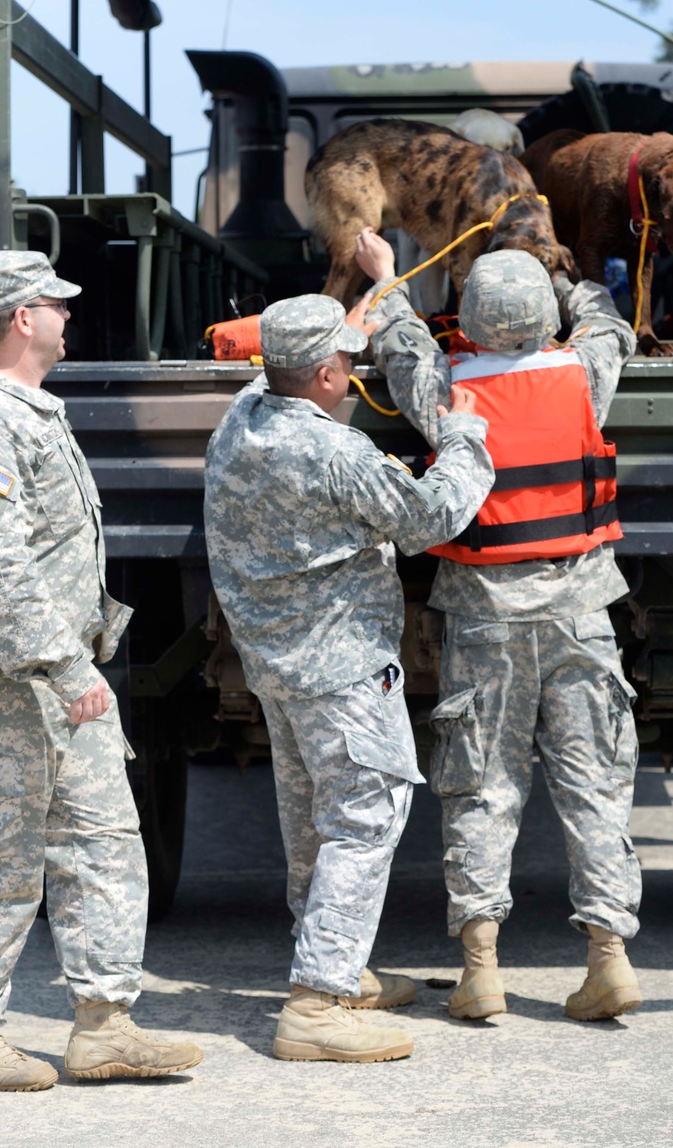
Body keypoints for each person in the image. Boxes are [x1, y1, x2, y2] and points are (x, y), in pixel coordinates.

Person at [0, 251, 203, 1090]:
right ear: (19, 319)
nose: (69, 317)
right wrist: (67, 666)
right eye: (55, 305)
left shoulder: (31, 415)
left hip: (59, 686)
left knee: (103, 846)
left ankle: (105, 1024)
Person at [356, 228, 642, 1023]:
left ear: (471, 324)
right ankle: (608, 959)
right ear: (548, 320)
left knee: (482, 785)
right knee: (595, 785)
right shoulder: (583, 372)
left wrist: (387, 280)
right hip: (582, 613)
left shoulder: (450, 391)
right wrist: (576, 279)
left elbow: (396, 337)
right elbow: (610, 325)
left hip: (485, 617)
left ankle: (480, 970)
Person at [204, 292, 493, 1062]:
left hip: (275, 662)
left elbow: (292, 365)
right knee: (365, 815)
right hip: (342, 665)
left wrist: (359, 315)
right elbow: (431, 517)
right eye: (347, 360)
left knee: (312, 818)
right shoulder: (337, 454)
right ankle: (317, 1004)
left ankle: (333, 963)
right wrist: (465, 438)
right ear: (329, 372)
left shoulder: (243, 419)